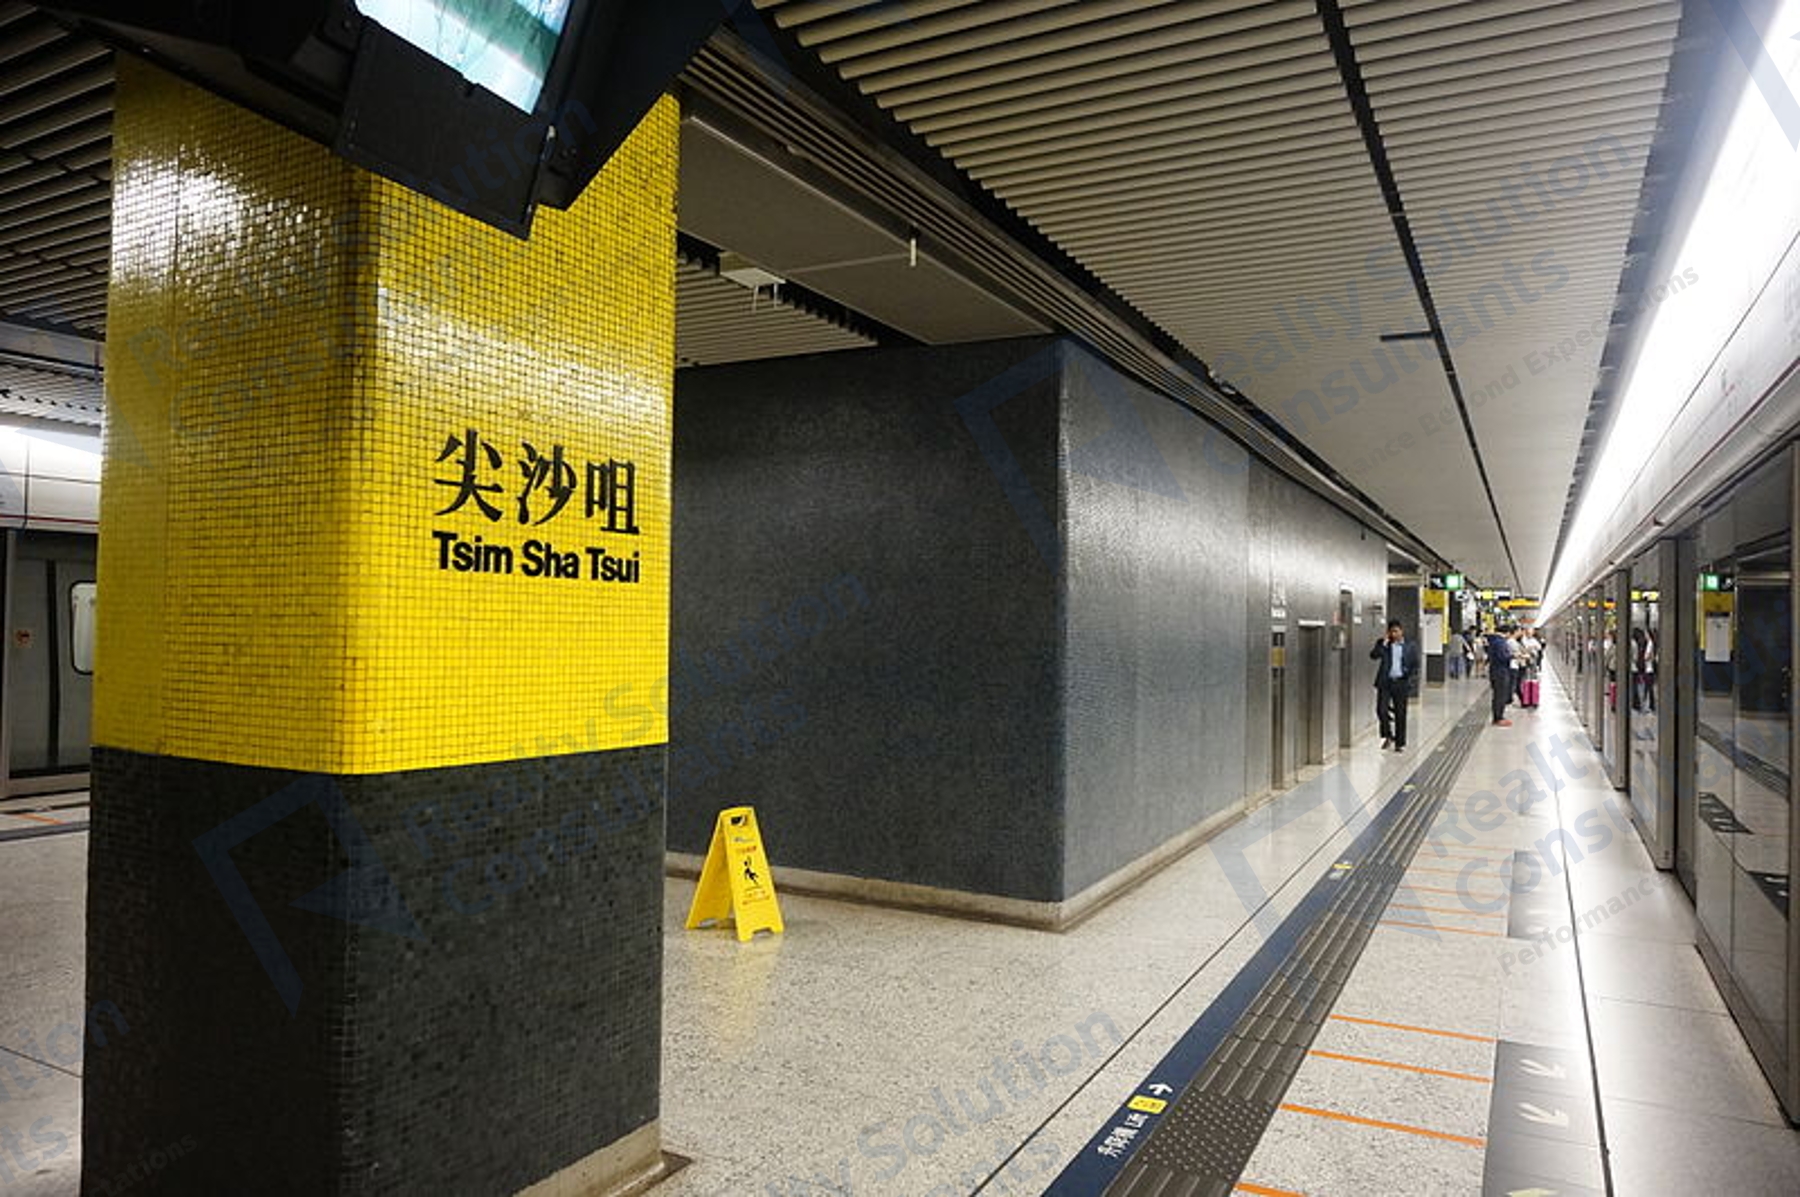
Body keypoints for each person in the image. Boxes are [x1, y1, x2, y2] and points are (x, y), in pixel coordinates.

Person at [1370, 619, 1419, 751]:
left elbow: (1415, 665)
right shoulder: (1383, 644)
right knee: (1381, 710)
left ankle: (1399, 743)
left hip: (1401, 683)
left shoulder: (1410, 646)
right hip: (1385, 683)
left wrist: (1410, 680)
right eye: (1391, 632)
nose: (1394, 634)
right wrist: (1385, 643)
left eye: (1396, 631)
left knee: (1400, 714)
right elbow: (1374, 655)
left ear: (1401, 631)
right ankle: (1388, 735)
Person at [1485, 624, 1514, 726]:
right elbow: (1503, 657)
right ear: (1507, 633)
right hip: (1501, 672)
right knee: (1500, 695)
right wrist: (1513, 656)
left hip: (1495, 670)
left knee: (1498, 695)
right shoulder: (1500, 642)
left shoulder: (1494, 640)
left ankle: (1498, 717)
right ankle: (1498, 718)